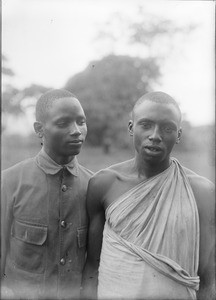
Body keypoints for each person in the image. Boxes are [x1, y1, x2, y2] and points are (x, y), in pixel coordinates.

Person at [82, 91, 215, 300]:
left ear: (178, 135)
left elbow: (207, 277)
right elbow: (92, 266)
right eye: (145, 125)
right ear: (131, 128)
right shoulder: (104, 184)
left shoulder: (202, 192)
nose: (155, 135)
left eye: (167, 128)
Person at [1, 89, 93, 300]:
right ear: (39, 129)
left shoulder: (93, 185)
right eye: (63, 124)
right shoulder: (9, 181)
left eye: (81, 121)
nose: (77, 131)